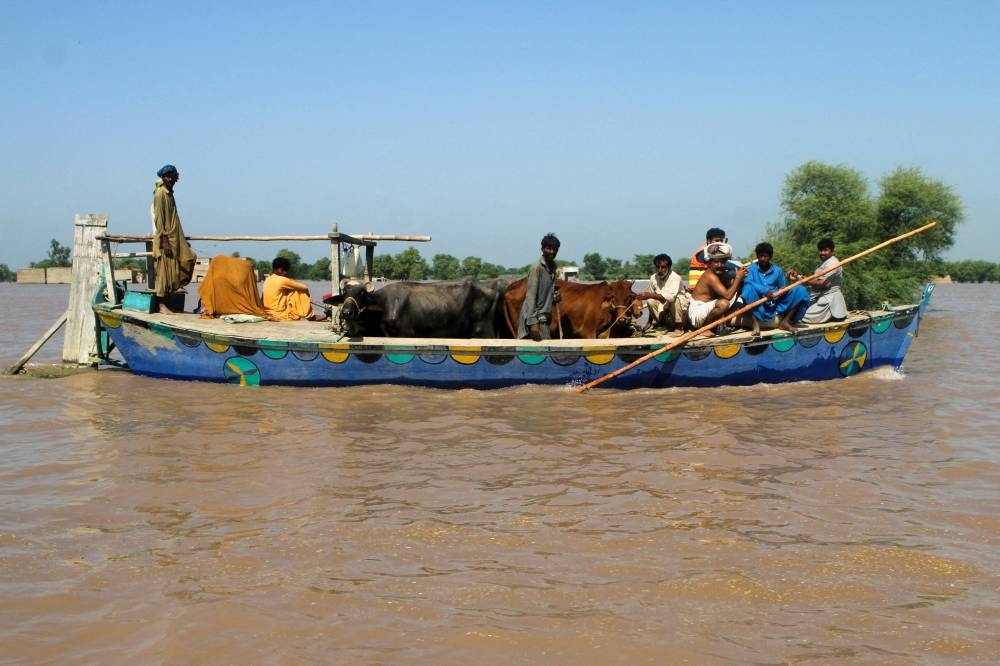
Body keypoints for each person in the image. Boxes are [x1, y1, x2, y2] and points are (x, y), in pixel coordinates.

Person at [151, 164, 196, 314]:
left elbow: (174, 220)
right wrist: (164, 241)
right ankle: (161, 305)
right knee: (165, 272)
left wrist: (182, 240)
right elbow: (159, 220)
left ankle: (173, 293)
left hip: (175, 238)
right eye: (167, 176)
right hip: (166, 239)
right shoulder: (160, 194)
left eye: (173, 176)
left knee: (190, 258)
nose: (170, 179)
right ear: (163, 178)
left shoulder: (170, 194)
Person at [741, 242, 809, 332]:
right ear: (757, 256)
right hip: (759, 304)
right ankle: (755, 322)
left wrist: (781, 291)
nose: (762, 259)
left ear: (770, 257)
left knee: (801, 290)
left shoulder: (778, 271)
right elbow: (747, 281)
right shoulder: (751, 269)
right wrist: (764, 290)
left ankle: (785, 321)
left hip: (775, 304)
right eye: (760, 256)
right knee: (748, 288)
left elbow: (782, 288)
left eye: (765, 256)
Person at [688, 242, 747, 336]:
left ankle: (718, 324)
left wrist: (739, 278)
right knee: (724, 303)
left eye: (722, 262)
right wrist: (738, 278)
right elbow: (727, 296)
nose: (719, 265)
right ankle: (704, 328)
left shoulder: (721, 274)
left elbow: (733, 287)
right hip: (696, 314)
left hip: (707, 311)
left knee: (739, 296)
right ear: (709, 264)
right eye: (716, 262)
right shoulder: (710, 276)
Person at [789, 238, 848, 324]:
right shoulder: (824, 264)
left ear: (832, 251)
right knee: (794, 312)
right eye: (820, 250)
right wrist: (798, 278)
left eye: (825, 250)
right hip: (818, 298)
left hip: (829, 300)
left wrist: (804, 280)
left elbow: (823, 284)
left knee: (800, 317)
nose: (822, 253)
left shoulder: (833, 263)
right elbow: (813, 282)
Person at [517, 233, 561, 341]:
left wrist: (554, 297)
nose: (552, 252)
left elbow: (545, 292)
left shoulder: (553, 267)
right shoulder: (537, 268)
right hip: (537, 319)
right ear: (542, 249)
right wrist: (533, 323)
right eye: (549, 248)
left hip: (545, 318)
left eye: (555, 249)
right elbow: (530, 297)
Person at [636, 253, 689, 334]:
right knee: (650, 301)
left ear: (669, 267)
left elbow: (671, 297)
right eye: (657, 267)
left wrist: (649, 295)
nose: (660, 270)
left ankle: (679, 327)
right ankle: (662, 323)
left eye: (663, 267)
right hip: (665, 314)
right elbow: (652, 298)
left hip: (680, 314)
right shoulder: (653, 278)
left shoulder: (675, 277)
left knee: (677, 299)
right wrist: (649, 322)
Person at [263, 257, 328, 321]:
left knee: (290, 290)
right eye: (285, 270)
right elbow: (304, 287)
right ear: (280, 269)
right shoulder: (283, 280)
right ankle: (310, 316)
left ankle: (307, 314)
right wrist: (307, 298)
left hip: (268, 313)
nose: (285, 273)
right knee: (298, 290)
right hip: (281, 315)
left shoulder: (268, 279)